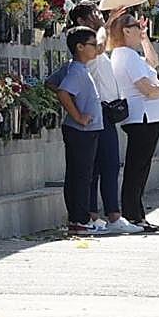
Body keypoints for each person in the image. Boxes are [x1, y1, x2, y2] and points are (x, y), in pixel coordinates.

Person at [47, 2, 143, 235]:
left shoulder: (85, 52)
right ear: (80, 22)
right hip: (93, 117)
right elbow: (59, 87)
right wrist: (78, 111)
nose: (98, 17)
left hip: (100, 115)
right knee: (102, 166)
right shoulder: (87, 52)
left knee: (97, 167)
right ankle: (105, 216)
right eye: (93, 14)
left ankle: (91, 216)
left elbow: (52, 82)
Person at [110, 12, 159, 233]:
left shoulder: (129, 55)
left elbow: (152, 63)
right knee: (137, 169)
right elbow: (147, 89)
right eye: (136, 25)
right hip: (143, 117)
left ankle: (137, 215)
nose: (140, 27)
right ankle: (133, 216)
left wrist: (145, 38)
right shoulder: (126, 55)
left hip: (148, 117)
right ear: (126, 31)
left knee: (140, 168)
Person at [55, 27, 105, 236]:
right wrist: (78, 116)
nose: (96, 48)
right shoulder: (76, 70)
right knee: (81, 177)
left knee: (82, 175)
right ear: (80, 47)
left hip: (86, 131)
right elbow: (63, 92)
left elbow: (53, 83)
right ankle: (79, 220)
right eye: (92, 45)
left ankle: (78, 219)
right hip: (81, 131)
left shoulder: (79, 68)